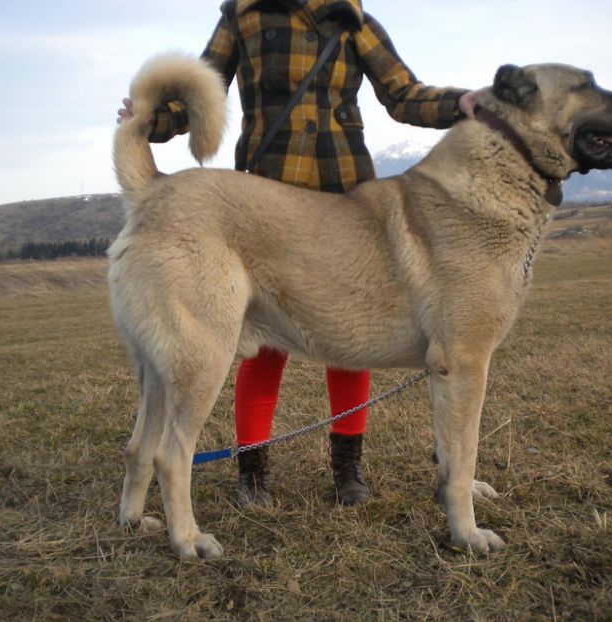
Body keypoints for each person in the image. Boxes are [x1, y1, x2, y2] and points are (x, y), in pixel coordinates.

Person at [118, 0, 477, 509]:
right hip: (266, 202)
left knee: (355, 342)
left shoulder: (352, 19)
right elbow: (205, 86)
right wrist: (154, 122)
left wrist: (461, 102)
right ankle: (253, 472)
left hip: (344, 199)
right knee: (262, 346)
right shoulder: (243, 15)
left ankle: (347, 468)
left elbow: (403, 94)